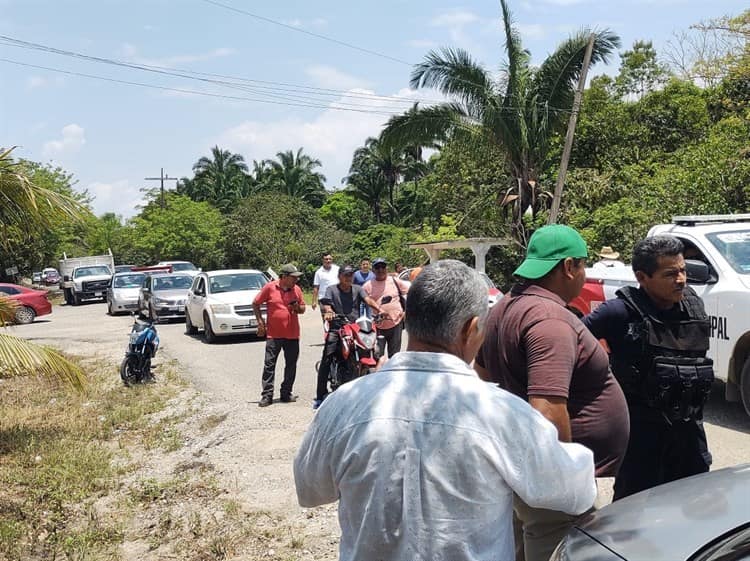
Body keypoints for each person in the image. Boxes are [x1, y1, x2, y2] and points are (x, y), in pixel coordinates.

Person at [294, 260, 597, 561]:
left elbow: (309, 489)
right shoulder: (503, 414)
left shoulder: (344, 404)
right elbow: (573, 491)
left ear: (408, 319)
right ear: (472, 329)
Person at [474, 224, 629, 561]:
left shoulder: (504, 308)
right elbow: (546, 407)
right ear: (568, 266)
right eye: (583, 265)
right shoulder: (550, 320)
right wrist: (562, 481)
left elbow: (483, 377)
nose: (584, 274)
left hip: (525, 466)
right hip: (552, 482)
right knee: (557, 550)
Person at [583, 235, 713, 500]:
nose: (681, 280)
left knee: (696, 517)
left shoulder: (694, 307)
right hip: (642, 441)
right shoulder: (619, 312)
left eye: (683, 271)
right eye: (670, 274)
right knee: (634, 519)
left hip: (689, 437)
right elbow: (570, 341)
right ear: (642, 277)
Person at [314, 265, 384, 409]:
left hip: (355, 327)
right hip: (337, 327)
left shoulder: (357, 289)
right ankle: (320, 396)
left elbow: (368, 300)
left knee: (375, 352)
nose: (349, 278)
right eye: (346, 275)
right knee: (328, 356)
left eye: (351, 275)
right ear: (340, 276)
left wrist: (379, 309)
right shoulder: (331, 290)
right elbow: (326, 304)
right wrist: (329, 311)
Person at [252, 264, 306, 407]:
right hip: (274, 334)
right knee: (269, 365)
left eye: (297, 277)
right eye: (293, 277)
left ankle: (286, 393)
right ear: (284, 277)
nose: (296, 280)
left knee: (291, 365)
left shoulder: (297, 290)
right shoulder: (270, 288)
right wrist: (260, 322)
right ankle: (267, 395)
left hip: (292, 334)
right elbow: (255, 303)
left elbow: (302, 309)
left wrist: (296, 307)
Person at [363, 257, 409, 357]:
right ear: (373, 270)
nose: (380, 270)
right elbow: (363, 302)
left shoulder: (395, 281)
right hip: (377, 326)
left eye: (383, 267)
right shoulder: (367, 286)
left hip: (396, 323)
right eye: (377, 267)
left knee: (395, 356)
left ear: (386, 268)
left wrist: (407, 311)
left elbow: (411, 293)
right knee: (377, 355)